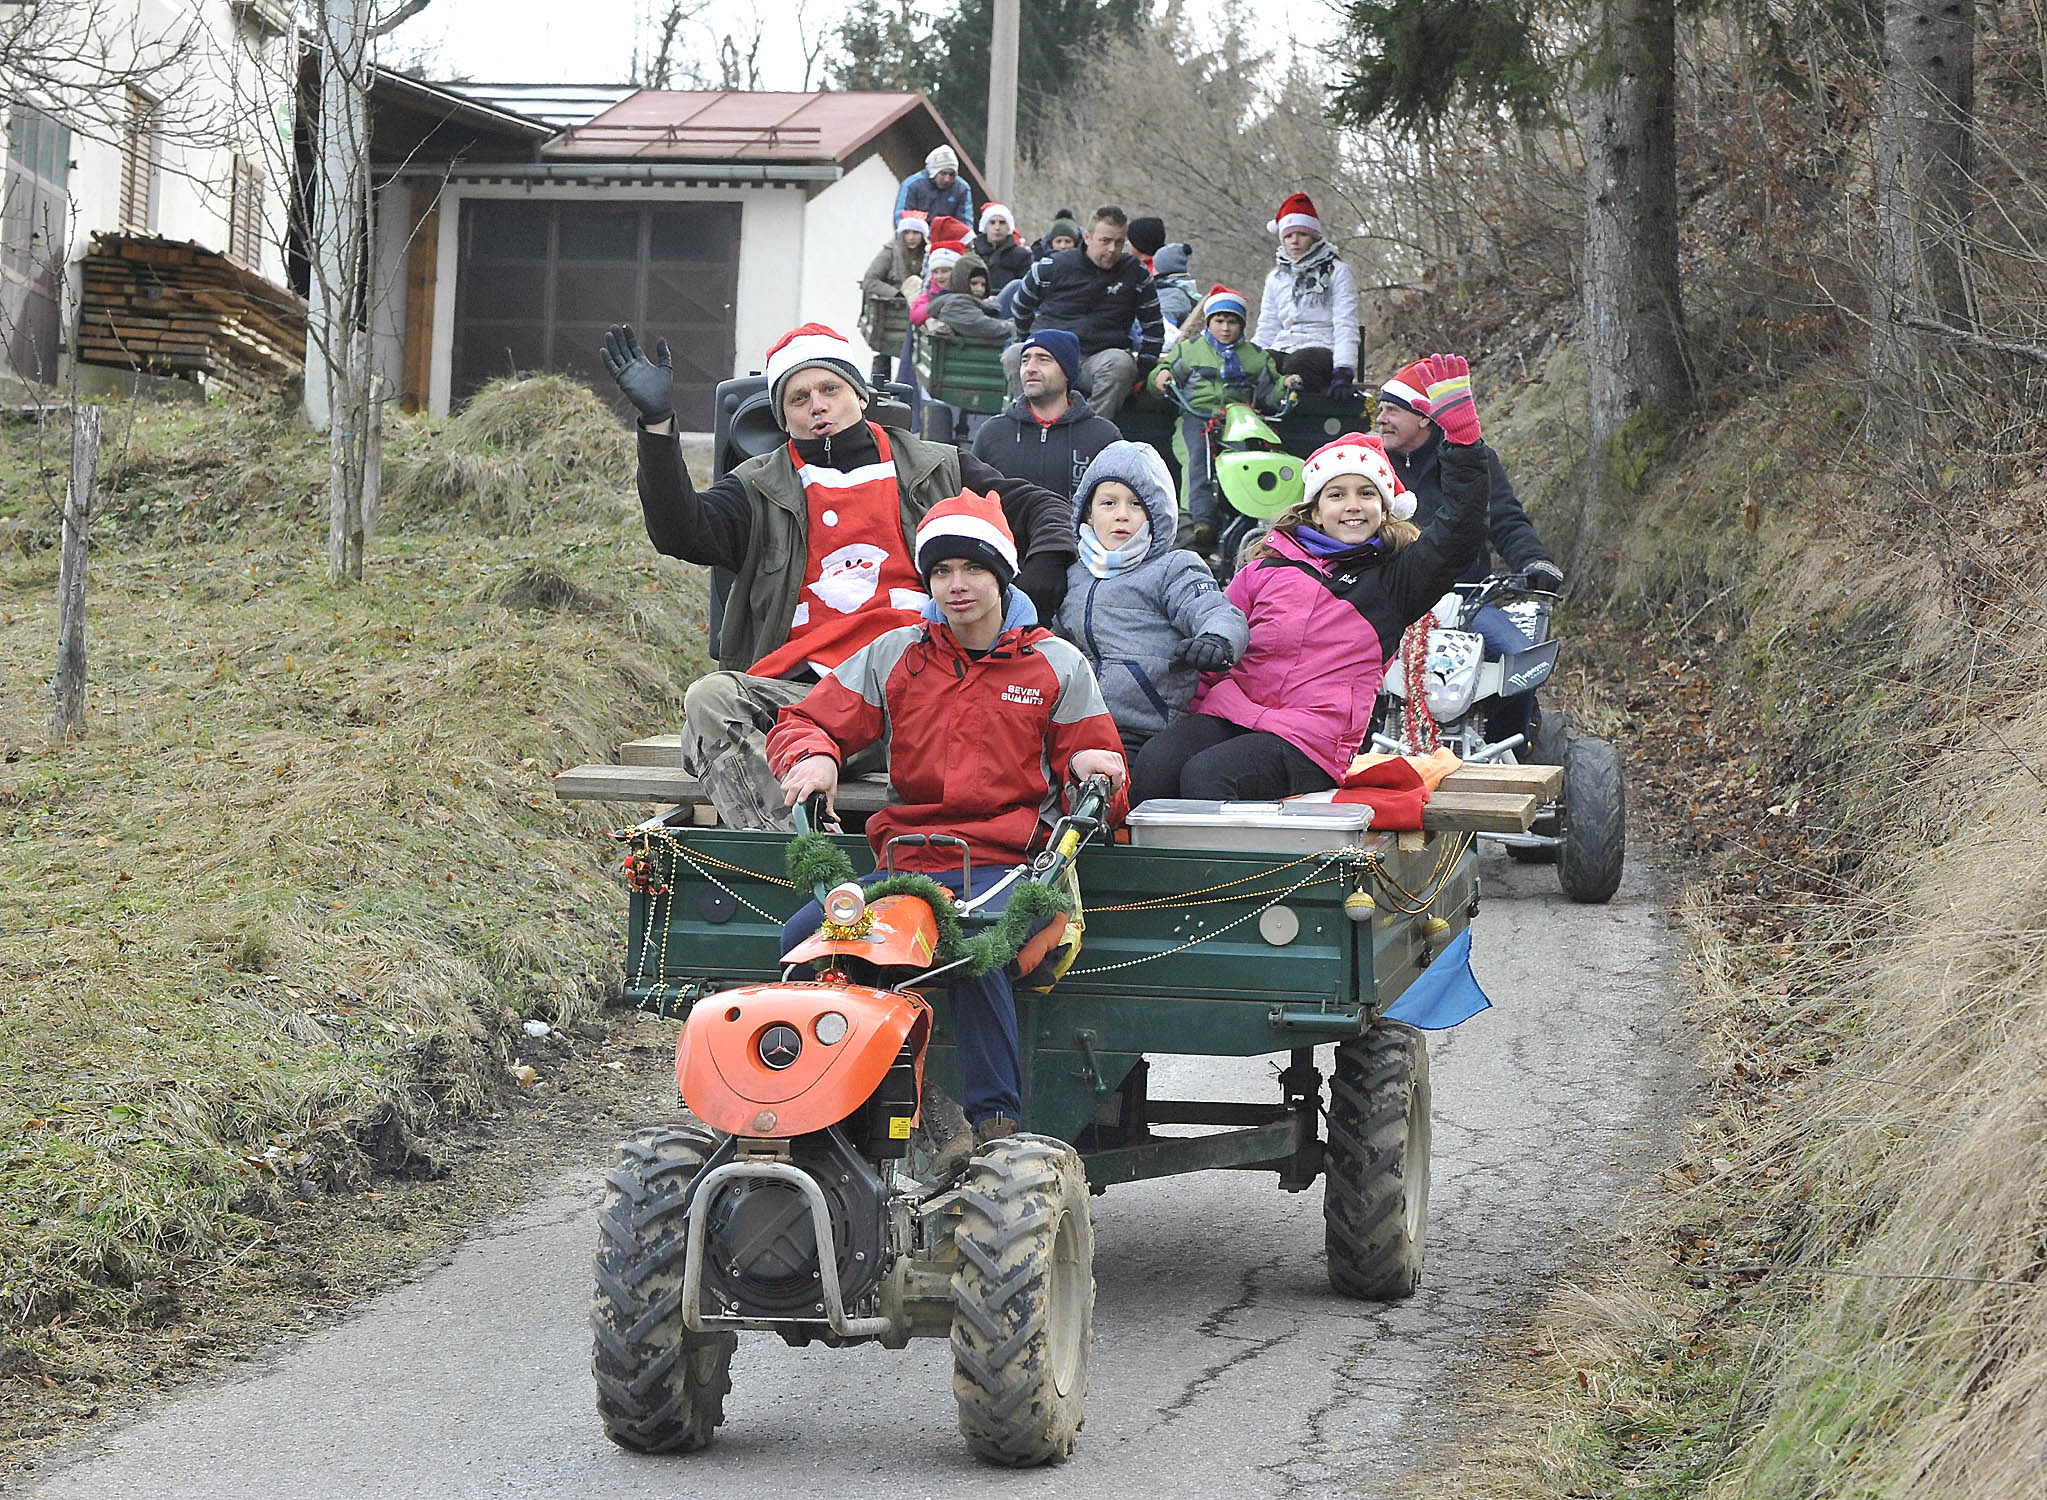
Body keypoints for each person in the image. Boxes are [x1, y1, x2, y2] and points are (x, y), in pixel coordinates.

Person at [603, 320, 1077, 831]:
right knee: (711, 700)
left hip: (922, 688)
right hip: (806, 697)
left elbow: (1038, 508)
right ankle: (799, 858)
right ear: (783, 417)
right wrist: (657, 426)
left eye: (830, 388)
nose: (817, 405)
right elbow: (681, 531)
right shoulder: (757, 486)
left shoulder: (934, 467)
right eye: (799, 397)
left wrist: (1043, 568)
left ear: (860, 394)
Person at [769, 493, 1128, 1143]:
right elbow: (806, 720)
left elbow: (1103, 782)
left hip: (1010, 865)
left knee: (970, 939)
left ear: (1002, 575)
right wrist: (816, 756)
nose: (956, 586)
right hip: (907, 863)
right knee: (804, 938)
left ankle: (994, 1124)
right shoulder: (898, 654)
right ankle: (817, 1106)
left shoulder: (1054, 664)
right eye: (940, 572)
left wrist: (1101, 771)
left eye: (972, 569)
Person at [1129, 356, 1491, 805]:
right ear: (1316, 510)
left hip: (1310, 740)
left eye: (1367, 494)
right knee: (1155, 766)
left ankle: (1221, 877)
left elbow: (1460, 531)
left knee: (1209, 778)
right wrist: (1210, 645)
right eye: (1336, 495)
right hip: (1233, 711)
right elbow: (1219, 621)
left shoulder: (1396, 583)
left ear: (1385, 509)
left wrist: (1463, 442)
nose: (1352, 506)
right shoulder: (1266, 566)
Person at [1377, 358, 1562, 745]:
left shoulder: (1473, 459)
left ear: (1424, 418)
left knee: (1519, 658)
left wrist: (1533, 562)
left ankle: (1508, 750)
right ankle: (1352, 751)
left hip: (1469, 598)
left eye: (1392, 410)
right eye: (1381, 409)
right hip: (1389, 596)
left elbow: (1507, 521)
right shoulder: (1369, 462)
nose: (1381, 419)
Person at [1055, 442, 1248, 757]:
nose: (1121, 515)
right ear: (1088, 513)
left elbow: (1216, 611)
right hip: (1073, 721)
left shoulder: (1173, 567)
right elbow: (1054, 642)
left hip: (1141, 728)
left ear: (1157, 512)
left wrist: (1217, 640)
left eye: (1136, 504)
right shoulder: (1073, 573)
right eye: (1108, 503)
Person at [1149, 285, 1282, 545]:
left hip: (1240, 418)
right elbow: (1162, 372)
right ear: (1209, 322)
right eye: (1219, 321)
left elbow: (1271, 391)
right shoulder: (1189, 350)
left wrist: (1285, 386)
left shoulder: (1255, 356)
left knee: (1244, 461)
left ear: (1241, 325)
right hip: (1196, 414)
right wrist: (1162, 377)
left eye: (1232, 322)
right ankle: (1197, 521)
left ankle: (1242, 517)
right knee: (1197, 458)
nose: (1225, 328)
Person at [1005, 206, 1164, 423]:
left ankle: (1088, 430)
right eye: (1105, 241)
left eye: (1119, 243)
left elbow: (1153, 324)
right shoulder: (1052, 267)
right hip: (1051, 354)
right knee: (1015, 355)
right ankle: (1029, 423)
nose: (1112, 249)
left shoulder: (1135, 273)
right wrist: (1028, 341)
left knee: (1121, 364)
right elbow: (1021, 305)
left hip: (1098, 358)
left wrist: (1144, 370)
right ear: (1087, 237)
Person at [971, 330, 1121, 500]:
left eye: (1043, 360)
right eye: (1025, 360)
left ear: (1067, 372)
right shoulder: (993, 433)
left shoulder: (1103, 436)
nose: (1030, 369)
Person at [1254, 192, 1359, 399]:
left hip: (1321, 346)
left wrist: (1344, 369)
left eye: (1301, 234)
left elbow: (1345, 323)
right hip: (1284, 344)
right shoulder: (1276, 277)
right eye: (1288, 236)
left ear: (1313, 236)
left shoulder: (1336, 271)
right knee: (1261, 365)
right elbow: (1268, 326)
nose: (1294, 241)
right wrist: (1248, 358)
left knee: (1300, 365)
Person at [860, 211, 927, 385]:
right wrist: (895, 294)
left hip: (917, 309)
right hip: (892, 313)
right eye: (907, 233)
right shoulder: (890, 252)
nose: (911, 237)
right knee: (884, 356)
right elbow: (870, 280)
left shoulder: (928, 254)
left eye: (916, 233)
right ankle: (880, 392)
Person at [923, 252, 1014, 343]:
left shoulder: (962, 301)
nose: (979, 289)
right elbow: (985, 327)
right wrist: (1021, 325)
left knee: (1015, 286)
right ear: (961, 281)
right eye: (973, 283)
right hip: (995, 336)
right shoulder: (956, 304)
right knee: (1015, 286)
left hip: (997, 325)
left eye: (983, 285)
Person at [894, 143, 972, 228]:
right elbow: (901, 218)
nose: (947, 179)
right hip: (916, 235)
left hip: (947, 238)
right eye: (943, 173)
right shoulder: (911, 185)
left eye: (951, 175)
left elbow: (965, 223)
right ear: (933, 172)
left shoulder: (962, 188)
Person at [973, 203, 1033, 292]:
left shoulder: (1021, 255)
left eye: (1002, 223)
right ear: (985, 226)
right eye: (992, 223)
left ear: (1009, 227)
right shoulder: (974, 253)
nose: (997, 227)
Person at [1150, 243, 1199, 335]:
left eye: (1155, 267)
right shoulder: (1169, 289)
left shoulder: (1175, 295)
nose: (1152, 270)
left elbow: (1161, 327)